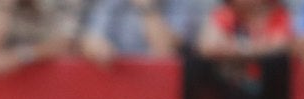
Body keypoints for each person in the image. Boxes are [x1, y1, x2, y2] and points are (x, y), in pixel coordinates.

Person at [80, 0, 214, 63]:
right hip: (115, 91)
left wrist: (147, 7)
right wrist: (95, 46)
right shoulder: (112, 3)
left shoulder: (183, 5)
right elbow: (92, 39)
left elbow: (165, 52)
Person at [0, 0, 83, 73]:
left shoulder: (61, 5)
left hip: (55, 90)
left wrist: (26, 54)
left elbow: (61, 44)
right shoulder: (2, 7)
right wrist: (4, 4)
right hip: (12, 95)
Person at [195, 0, 292, 57]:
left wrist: (233, 46)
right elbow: (208, 45)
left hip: (274, 82)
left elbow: (281, 44)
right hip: (233, 83)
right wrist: (249, 47)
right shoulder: (228, 13)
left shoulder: (279, 13)